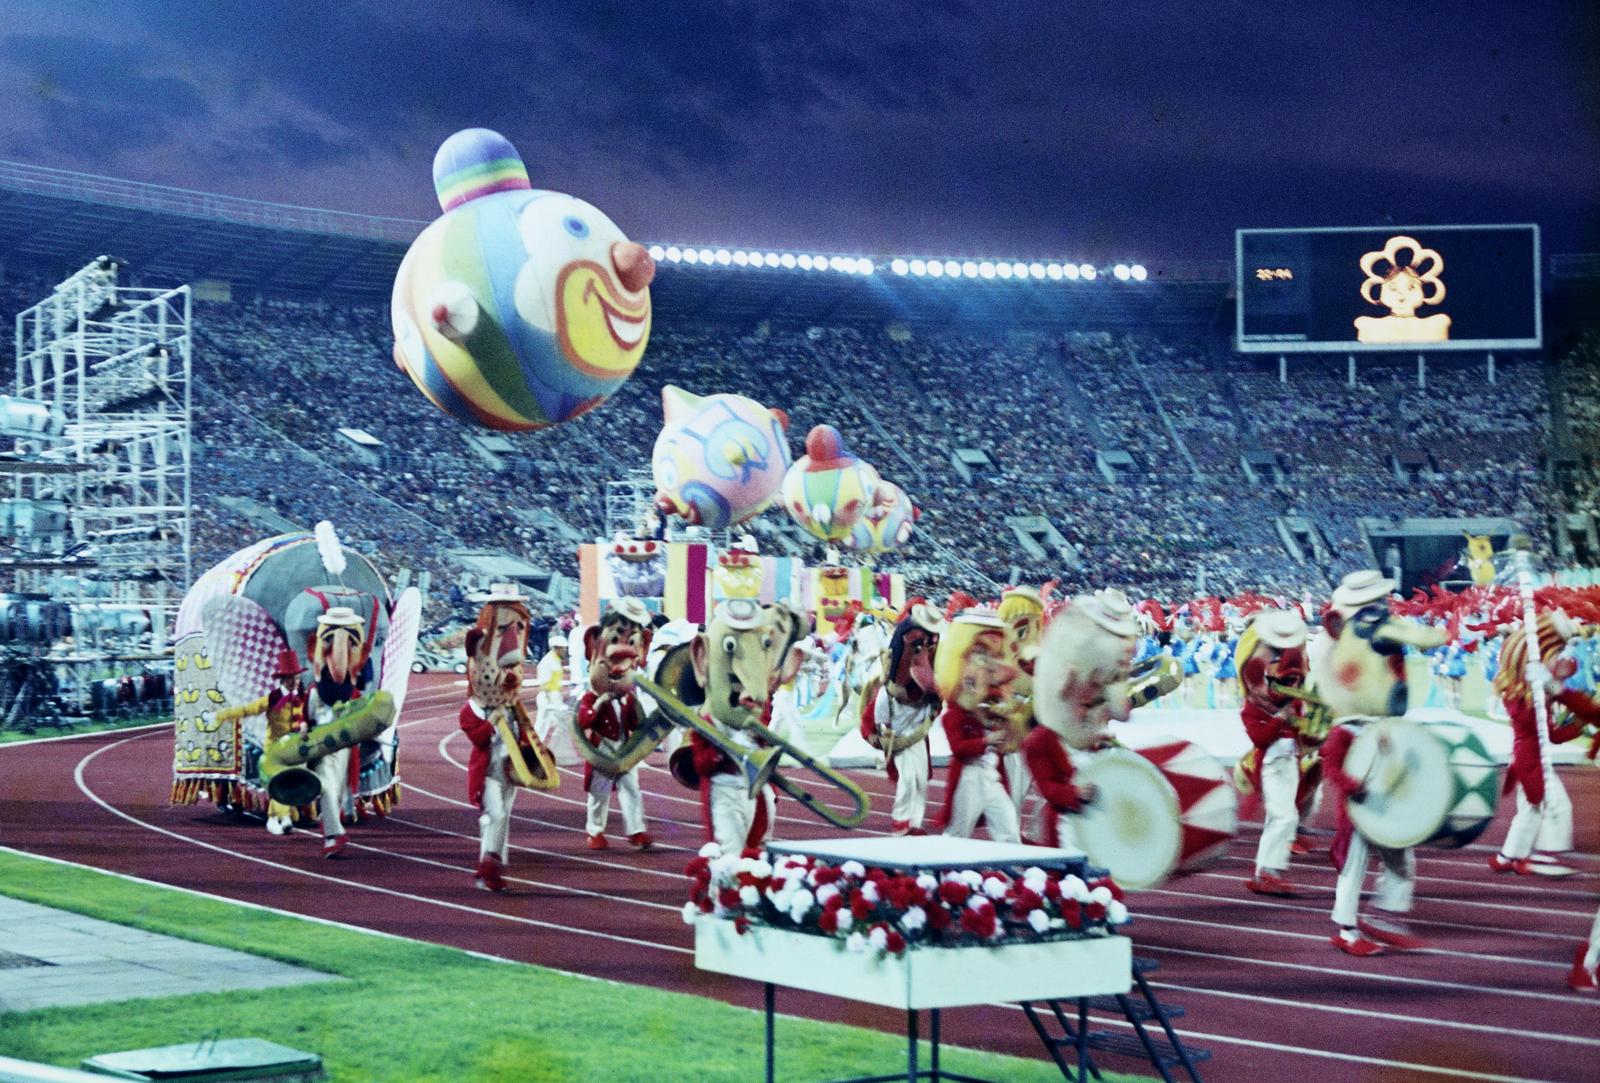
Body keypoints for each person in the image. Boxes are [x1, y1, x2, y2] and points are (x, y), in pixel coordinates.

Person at [1488, 611, 1598, 878]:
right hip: (1531, 759)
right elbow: (1545, 732)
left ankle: (1509, 856)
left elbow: (1552, 731)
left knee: (1530, 809)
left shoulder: (1535, 692)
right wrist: (1573, 721)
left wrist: (1573, 719)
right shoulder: (1521, 697)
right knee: (1558, 807)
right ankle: (1547, 856)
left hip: (1530, 756)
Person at [459, 585, 555, 891]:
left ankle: (494, 860)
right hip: (488, 769)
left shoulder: (512, 704)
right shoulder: (474, 707)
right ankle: (487, 864)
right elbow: (476, 737)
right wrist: (493, 723)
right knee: (494, 813)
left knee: (505, 813)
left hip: (510, 765)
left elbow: (523, 731)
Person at [1236, 610, 1314, 896]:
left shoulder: (1294, 704)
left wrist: (1309, 730)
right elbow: (1260, 738)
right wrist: (1281, 718)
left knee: (1282, 816)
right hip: (1271, 763)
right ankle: (1266, 872)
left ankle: (1267, 871)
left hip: (1289, 760)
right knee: (1284, 817)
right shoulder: (1251, 708)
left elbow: (1301, 736)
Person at [935, 610, 1022, 842]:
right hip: (970, 778)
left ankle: (1012, 874)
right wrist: (987, 741)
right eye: (982, 655)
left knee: (1009, 830)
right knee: (958, 833)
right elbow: (959, 749)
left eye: (995, 655)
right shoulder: (953, 715)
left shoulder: (988, 711)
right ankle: (937, 872)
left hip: (991, 777)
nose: (992, 667)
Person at [577, 600, 654, 851]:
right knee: (598, 793)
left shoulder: (629, 698)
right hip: (603, 750)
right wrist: (600, 702)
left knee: (632, 788)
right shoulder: (591, 696)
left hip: (624, 749)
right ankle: (595, 830)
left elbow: (637, 722)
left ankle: (636, 829)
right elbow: (584, 719)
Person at [862, 603, 945, 835]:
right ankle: (901, 821)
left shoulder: (929, 639)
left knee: (919, 780)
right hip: (898, 735)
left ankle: (914, 823)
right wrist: (881, 736)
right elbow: (875, 718)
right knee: (908, 779)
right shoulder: (888, 693)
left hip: (916, 733)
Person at [306, 606, 368, 858]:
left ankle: (334, 826)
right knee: (325, 786)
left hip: (341, 743)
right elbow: (308, 716)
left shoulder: (352, 693)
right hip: (324, 742)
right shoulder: (315, 691)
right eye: (329, 640)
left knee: (336, 786)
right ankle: (333, 831)